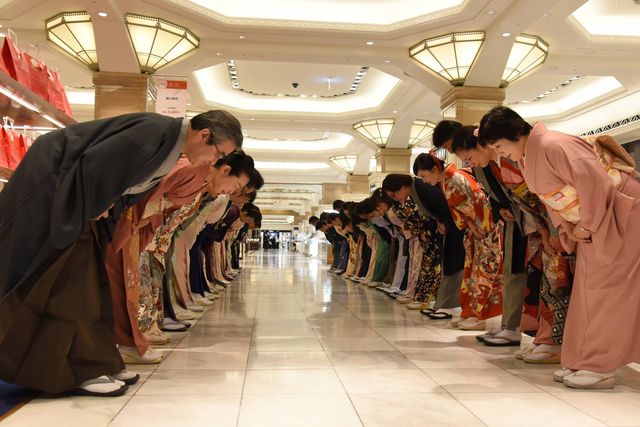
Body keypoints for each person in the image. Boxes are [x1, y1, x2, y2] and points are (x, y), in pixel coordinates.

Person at [0, 110, 242, 396]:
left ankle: (97, 361)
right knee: (66, 284)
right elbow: (94, 165)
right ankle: (75, 368)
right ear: (204, 135)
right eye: (218, 152)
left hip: (78, 202)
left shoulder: (167, 143)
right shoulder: (153, 133)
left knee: (90, 284)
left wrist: (104, 205)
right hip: (56, 190)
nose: (215, 161)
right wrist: (99, 202)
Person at [478, 106, 640, 389]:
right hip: (595, 216)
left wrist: (587, 225)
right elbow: (554, 200)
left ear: (516, 133)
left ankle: (599, 365)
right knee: (588, 288)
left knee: (608, 288)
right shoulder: (531, 155)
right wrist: (568, 228)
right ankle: (582, 359)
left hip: (620, 211)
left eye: (499, 145)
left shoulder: (554, 143)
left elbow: (595, 182)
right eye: (493, 148)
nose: (499, 153)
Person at [414, 153, 504, 330]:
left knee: (484, 274)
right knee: (473, 274)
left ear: (434, 169)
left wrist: (481, 226)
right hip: (475, 229)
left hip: (485, 229)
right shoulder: (448, 180)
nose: (423, 181)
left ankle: (480, 316)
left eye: (424, 176)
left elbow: (480, 200)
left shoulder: (455, 178)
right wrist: (471, 224)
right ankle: (471, 312)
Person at [383, 174, 442, 311]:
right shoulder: (406, 201)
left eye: (394, 195)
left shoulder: (421, 191)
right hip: (422, 236)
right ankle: (421, 297)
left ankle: (426, 298)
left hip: (431, 233)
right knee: (421, 266)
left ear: (403, 186)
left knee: (428, 267)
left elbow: (430, 215)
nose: (395, 198)